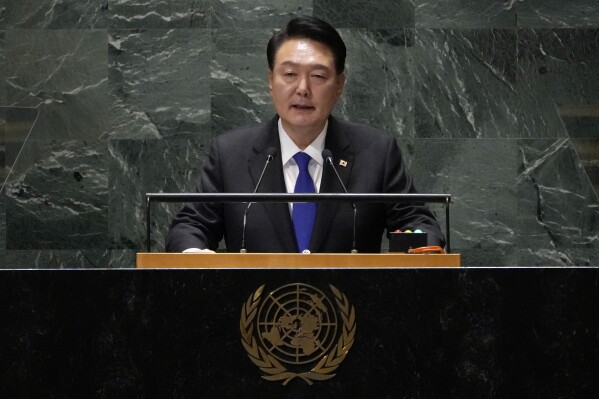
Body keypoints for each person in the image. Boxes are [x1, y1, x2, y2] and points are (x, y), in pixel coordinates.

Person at [166, 15, 445, 253]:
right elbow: (191, 225)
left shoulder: (376, 153)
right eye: (289, 74)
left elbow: (416, 221)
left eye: (318, 76)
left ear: (339, 85)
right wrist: (193, 254)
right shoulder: (230, 154)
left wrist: (424, 243)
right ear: (270, 82)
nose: (302, 88)